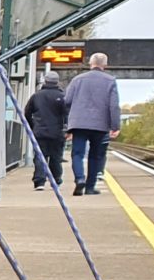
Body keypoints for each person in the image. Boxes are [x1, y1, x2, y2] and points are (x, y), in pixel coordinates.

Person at [63, 52, 121, 195]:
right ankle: (90, 187)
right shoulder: (110, 81)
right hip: (100, 125)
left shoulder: (78, 79)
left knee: (77, 153)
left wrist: (69, 122)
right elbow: (114, 106)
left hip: (79, 123)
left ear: (91, 63)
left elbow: (67, 100)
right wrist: (115, 126)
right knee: (96, 156)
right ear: (105, 65)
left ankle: (79, 179)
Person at [23, 73, 68, 190]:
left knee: (39, 156)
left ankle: (39, 182)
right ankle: (56, 179)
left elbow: (27, 113)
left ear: (45, 82)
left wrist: (33, 125)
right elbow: (67, 114)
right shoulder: (63, 96)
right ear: (57, 82)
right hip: (57, 132)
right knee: (56, 157)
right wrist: (66, 129)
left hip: (40, 131)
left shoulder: (36, 96)